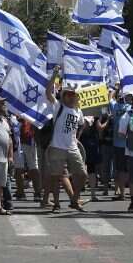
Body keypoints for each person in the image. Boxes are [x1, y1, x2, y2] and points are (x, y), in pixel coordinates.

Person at [44, 76, 88, 212]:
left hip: (72, 147)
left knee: (82, 174)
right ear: (63, 96)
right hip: (57, 146)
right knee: (56, 177)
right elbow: (48, 93)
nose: (70, 97)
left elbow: (82, 124)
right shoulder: (58, 107)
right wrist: (54, 75)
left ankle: (74, 199)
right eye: (67, 94)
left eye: (72, 94)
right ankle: (56, 203)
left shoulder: (78, 111)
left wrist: (76, 137)